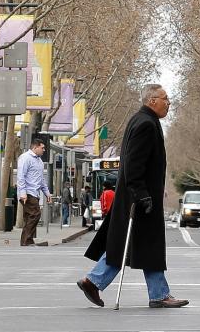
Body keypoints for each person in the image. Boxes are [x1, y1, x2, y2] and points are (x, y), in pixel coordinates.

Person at [77, 84, 188, 309]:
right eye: (165, 99)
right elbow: (133, 164)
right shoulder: (146, 124)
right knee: (138, 244)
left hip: (137, 197)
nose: (169, 103)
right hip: (139, 198)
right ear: (152, 101)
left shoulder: (143, 120)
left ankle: (98, 281)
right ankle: (97, 281)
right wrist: (142, 195)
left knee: (139, 245)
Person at [17, 135, 53, 247]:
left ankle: (27, 240)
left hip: (35, 193)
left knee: (30, 217)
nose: (44, 150)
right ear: (35, 147)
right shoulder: (25, 158)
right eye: (42, 148)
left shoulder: (39, 161)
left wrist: (47, 193)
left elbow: (41, 179)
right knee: (35, 214)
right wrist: (23, 193)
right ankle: (27, 240)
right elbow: (21, 176)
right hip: (28, 193)